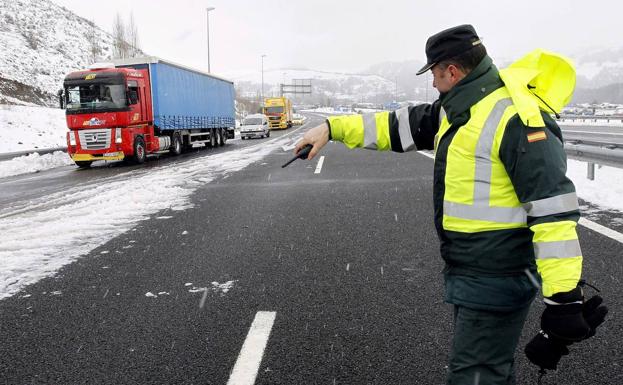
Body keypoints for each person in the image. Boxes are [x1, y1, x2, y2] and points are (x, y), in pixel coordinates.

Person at [295, 24, 607, 385]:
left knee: (474, 377)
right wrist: (331, 128)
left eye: (434, 75)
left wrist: (563, 299)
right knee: (490, 372)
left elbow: (554, 214)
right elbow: (391, 126)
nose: (432, 84)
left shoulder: (513, 118)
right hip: (475, 275)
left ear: (453, 71)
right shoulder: (460, 110)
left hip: (495, 277)